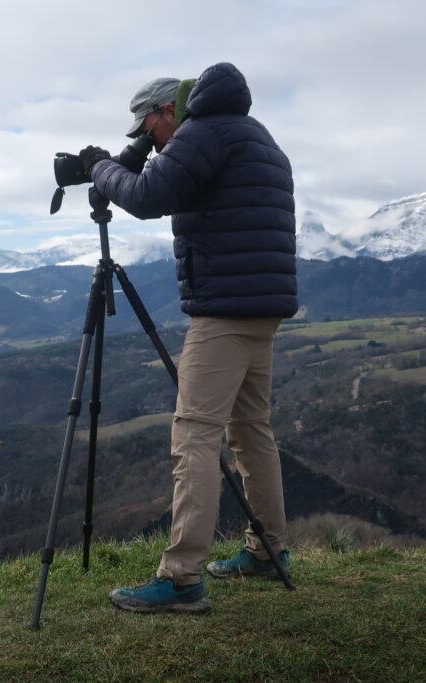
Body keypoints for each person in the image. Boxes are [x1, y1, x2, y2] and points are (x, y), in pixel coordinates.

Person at [78, 62, 297, 614]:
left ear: (168, 110)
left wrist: (100, 167)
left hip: (224, 311)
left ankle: (181, 579)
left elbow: (147, 196)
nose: (150, 142)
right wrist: (124, 162)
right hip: (263, 307)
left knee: (195, 435)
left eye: (148, 129)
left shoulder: (202, 132)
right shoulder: (256, 136)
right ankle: (269, 550)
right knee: (251, 431)